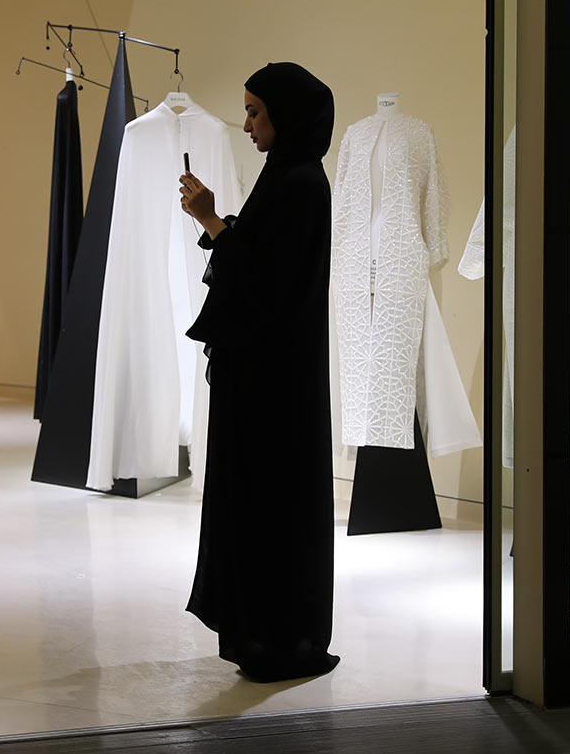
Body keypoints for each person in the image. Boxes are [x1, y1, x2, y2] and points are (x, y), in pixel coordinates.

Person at [177, 62, 340, 682]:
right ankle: (267, 634)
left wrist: (212, 222)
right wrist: (219, 224)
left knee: (271, 505)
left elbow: (267, 282)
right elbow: (262, 257)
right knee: (262, 505)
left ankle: (283, 639)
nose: (246, 124)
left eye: (254, 111)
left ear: (285, 114)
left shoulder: (300, 183)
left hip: (276, 388)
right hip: (268, 380)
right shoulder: (288, 177)